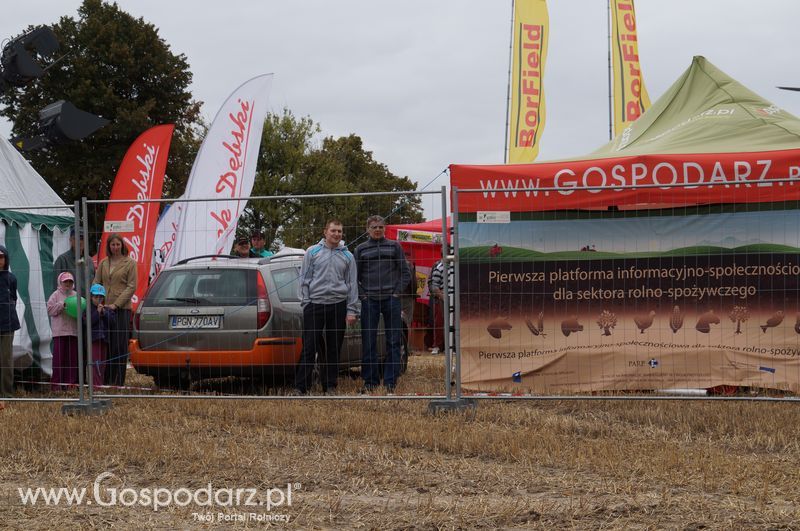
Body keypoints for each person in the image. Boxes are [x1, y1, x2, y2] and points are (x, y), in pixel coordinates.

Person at [294, 219, 359, 395]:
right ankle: (301, 387)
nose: (336, 234)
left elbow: (352, 284)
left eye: (339, 231)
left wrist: (352, 310)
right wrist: (306, 302)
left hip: (338, 305)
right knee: (309, 346)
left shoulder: (348, 256)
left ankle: (330, 386)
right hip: (314, 304)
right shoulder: (312, 252)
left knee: (333, 348)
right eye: (333, 231)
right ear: (325, 232)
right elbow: (304, 280)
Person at [355, 215, 410, 393]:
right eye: (373, 227)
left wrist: (396, 293)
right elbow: (354, 278)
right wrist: (362, 296)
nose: (377, 230)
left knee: (393, 341)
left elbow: (405, 273)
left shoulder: (395, 246)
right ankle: (370, 382)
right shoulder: (360, 249)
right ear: (367, 229)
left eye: (380, 227)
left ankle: (390, 382)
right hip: (369, 300)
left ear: (384, 228)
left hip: (391, 299)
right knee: (368, 341)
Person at [93, 234, 136, 387]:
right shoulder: (104, 263)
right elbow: (96, 282)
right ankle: (106, 380)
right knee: (107, 344)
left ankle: (118, 381)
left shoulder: (130, 263)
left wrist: (116, 304)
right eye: (113, 245)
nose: (115, 247)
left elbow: (131, 287)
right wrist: (98, 301)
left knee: (119, 345)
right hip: (104, 309)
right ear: (109, 246)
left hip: (121, 309)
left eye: (118, 244)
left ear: (122, 246)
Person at [48, 272, 79, 390]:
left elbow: (81, 310)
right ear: (60, 282)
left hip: (73, 332)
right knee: (58, 360)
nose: (68, 284)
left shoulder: (76, 295)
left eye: (70, 281)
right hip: (59, 333)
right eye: (65, 281)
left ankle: (70, 385)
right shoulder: (55, 295)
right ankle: (56, 385)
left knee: (72, 360)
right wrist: (61, 305)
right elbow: (50, 310)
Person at [0, 245, 20, 400]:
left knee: (6, 359)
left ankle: (7, 393)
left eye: (1, 257)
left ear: (6, 259)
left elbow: (13, 299)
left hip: (8, 323)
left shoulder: (11, 278)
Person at [85, 284, 114, 388]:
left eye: (101, 297)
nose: (98, 299)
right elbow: (88, 322)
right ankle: (95, 386)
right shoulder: (88, 309)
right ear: (91, 297)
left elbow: (112, 322)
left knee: (102, 363)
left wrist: (104, 313)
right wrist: (97, 313)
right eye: (96, 297)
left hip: (104, 339)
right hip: (94, 340)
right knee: (95, 363)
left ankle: (100, 384)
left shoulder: (107, 309)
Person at [53, 227, 95, 293]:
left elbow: (94, 284)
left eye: (82, 239)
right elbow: (56, 287)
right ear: (70, 240)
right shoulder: (62, 260)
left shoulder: (89, 260)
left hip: (88, 302)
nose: (80, 241)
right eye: (76, 238)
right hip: (69, 302)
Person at [428, 259, 445, 354]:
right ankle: (437, 346)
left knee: (453, 323)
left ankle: (451, 346)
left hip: (452, 297)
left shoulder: (455, 264)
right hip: (438, 298)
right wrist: (436, 294)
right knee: (438, 322)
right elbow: (431, 282)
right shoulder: (437, 265)